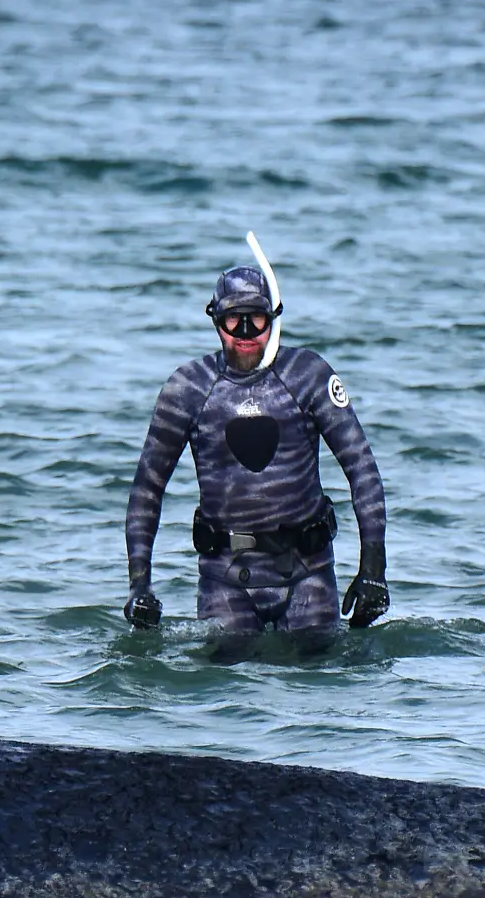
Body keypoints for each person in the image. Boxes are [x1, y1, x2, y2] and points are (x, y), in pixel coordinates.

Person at [124, 250, 388, 637]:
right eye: (234, 320)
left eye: (257, 319)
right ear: (216, 321)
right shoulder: (188, 389)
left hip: (307, 573)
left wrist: (373, 572)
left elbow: (362, 470)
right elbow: (148, 489)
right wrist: (139, 587)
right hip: (224, 578)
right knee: (225, 682)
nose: (246, 333)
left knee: (315, 677)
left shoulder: (308, 376)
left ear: (273, 319)